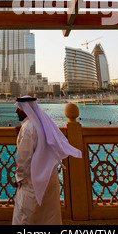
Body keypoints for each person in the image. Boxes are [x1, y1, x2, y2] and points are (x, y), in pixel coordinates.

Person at [12, 96, 82, 225]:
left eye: (19, 109)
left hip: (32, 180)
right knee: (49, 216)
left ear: (27, 110)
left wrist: (19, 178)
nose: (16, 112)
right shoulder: (40, 123)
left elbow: (24, 159)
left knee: (26, 216)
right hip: (49, 177)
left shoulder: (28, 128)